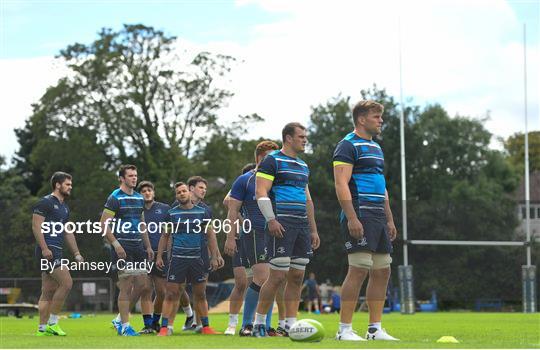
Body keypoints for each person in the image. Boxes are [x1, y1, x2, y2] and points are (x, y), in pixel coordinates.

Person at [333, 100, 399, 341]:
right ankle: (344, 330)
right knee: (359, 269)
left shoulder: (377, 148)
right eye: (376, 116)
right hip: (359, 213)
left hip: (379, 217)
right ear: (361, 119)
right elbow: (341, 183)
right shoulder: (347, 145)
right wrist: (351, 217)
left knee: (382, 271)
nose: (380, 120)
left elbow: (383, 187)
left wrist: (390, 219)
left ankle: (374, 329)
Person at [252, 122, 320, 337]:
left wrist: (313, 229)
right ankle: (259, 323)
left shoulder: (303, 166)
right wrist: (271, 220)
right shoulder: (272, 161)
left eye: (305, 136)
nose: (305, 140)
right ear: (288, 138)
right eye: (301, 136)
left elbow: (307, 199)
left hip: (301, 226)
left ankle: (289, 325)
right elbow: (260, 192)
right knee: (278, 277)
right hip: (281, 224)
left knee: (297, 277)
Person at [224, 141, 287, 337]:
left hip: (276, 234)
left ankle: (265, 326)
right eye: (271, 156)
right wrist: (230, 238)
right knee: (263, 278)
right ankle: (247, 325)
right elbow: (232, 210)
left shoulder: (277, 180)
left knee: (273, 281)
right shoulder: (245, 180)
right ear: (260, 157)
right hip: (254, 233)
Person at [156, 182, 221, 336]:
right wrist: (159, 256)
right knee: (171, 294)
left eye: (184, 191)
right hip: (177, 259)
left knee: (200, 294)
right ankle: (164, 328)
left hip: (197, 259)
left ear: (189, 193)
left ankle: (205, 327)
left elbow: (210, 235)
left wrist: (214, 256)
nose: (182, 194)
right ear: (176, 196)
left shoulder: (202, 212)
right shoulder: (171, 214)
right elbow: (164, 236)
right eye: (178, 192)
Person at [100, 164, 154, 336]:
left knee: (143, 285)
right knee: (126, 285)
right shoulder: (114, 197)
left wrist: (148, 246)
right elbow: (103, 224)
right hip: (122, 246)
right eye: (130, 175)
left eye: (135, 175)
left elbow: (142, 224)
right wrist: (116, 245)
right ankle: (124, 326)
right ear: (122, 178)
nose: (134, 178)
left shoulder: (139, 198)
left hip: (138, 247)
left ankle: (118, 319)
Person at [33, 172, 83, 336]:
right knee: (67, 283)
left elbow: (68, 232)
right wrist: (45, 248)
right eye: (67, 184)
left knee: (47, 290)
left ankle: (42, 329)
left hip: (57, 250)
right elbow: (36, 227)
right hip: (48, 250)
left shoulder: (64, 207)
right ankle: (53, 323)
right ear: (57, 185)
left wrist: (76, 253)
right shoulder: (45, 202)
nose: (70, 187)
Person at [138, 181, 171, 333]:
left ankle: (156, 321)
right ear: (140, 194)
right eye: (143, 191)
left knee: (162, 291)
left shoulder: (164, 209)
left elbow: (170, 233)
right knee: (145, 289)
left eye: (149, 190)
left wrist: (168, 252)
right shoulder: (136, 210)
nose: (146, 192)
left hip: (161, 255)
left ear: (154, 192)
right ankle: (147, 324)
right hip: (142, 254)